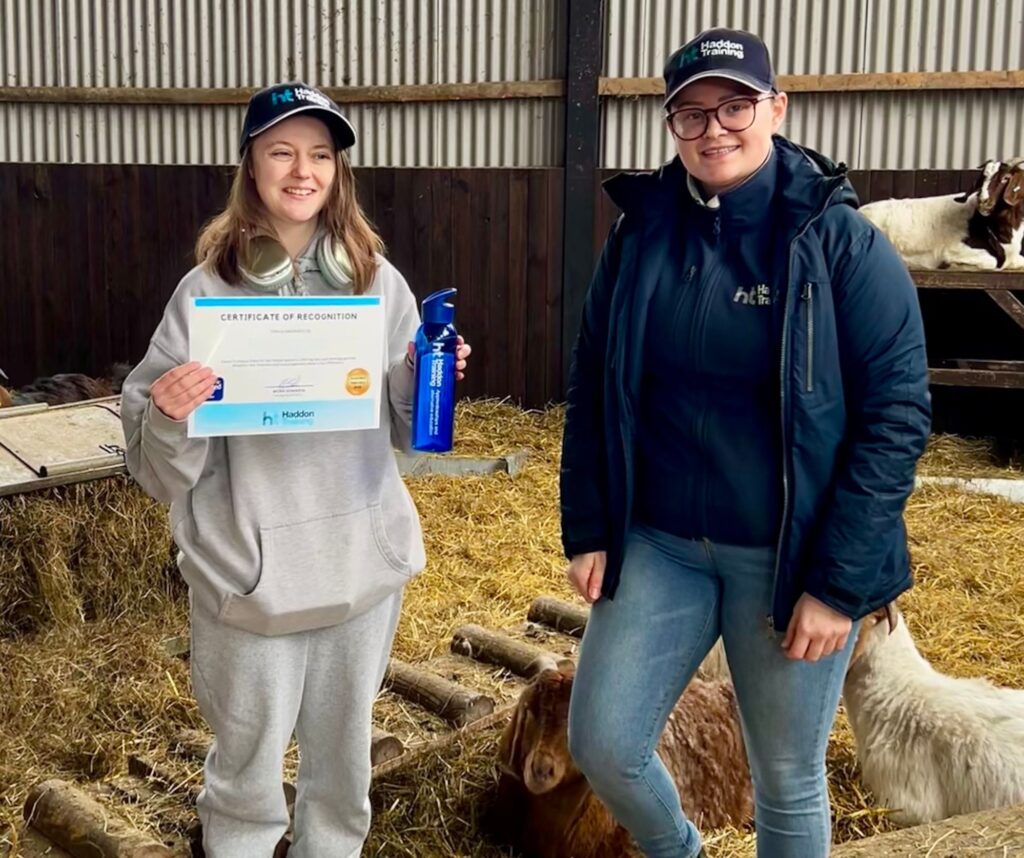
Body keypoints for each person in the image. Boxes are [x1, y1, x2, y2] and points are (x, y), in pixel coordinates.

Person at [559, 28, 930, 858]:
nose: (713, 128)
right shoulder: (641, 235)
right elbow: (593, 381)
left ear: (776, 108)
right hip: (658, 542)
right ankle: (677, 848)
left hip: (786, 556)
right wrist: (586, 524)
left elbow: (897, 416)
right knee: (605, 745)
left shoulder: (839, 243)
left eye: (735, 105)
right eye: (690, 113)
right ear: (670, 125)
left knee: (786, 777)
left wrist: (838, 585)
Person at [121, 81, 471, 858]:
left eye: (320, 154)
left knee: (343, 772)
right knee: (246, 773)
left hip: (358, 571)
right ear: (250, 167)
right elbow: (156, 469)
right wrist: (170, 412)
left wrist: (427, 376)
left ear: (339, 173)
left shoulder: (378, 283)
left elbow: (415, 439)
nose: (301, 170)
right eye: (281, 151)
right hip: (251, 578)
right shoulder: (205, 290)